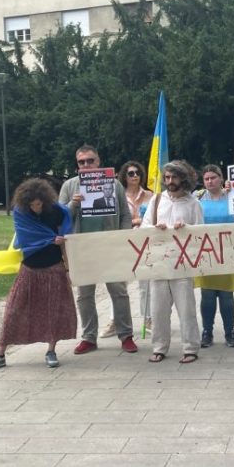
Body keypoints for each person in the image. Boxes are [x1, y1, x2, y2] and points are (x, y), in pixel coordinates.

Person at [0, 178, 77, 371]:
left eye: (39, 203)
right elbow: (25, 238)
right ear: (26, 202)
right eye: (32, 204)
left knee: (54, 310)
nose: (36, 207)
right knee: (14, 310)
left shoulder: (56, 211)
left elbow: (66, 231)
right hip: (30, 267)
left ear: (45, 200)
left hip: (54, 266)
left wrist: (65, 259)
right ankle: (0, 354)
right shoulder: (21, 213)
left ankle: (51, 350)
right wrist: (51, 239)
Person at [58, 145, 137, 355]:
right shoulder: (69, 185)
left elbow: (125, 215)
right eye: (82, 162)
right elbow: (58, 216)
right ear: (77, 165)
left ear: (98, 161)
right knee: (84, 295)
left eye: (90, 160)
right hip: (81, 247)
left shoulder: (114, 184)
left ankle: (126, 335)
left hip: (109, 244)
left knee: (119, 291)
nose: (86, 165)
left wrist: (123, 239)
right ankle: (89, 337)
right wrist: (72, 204)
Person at [141, 160, 203, 364]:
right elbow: (144, 227)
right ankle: (159, 347)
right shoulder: (157, 200)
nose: (170, 181)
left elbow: (201, 232)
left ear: (183, 178)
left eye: (174, 177)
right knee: (158, 310)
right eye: (167, 177)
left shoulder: (193, 203)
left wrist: (186, 228)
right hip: (159, 263)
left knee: (186, 309)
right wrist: (154, 228)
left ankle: (190, 348)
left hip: (182, 264)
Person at [99, 161, 153, 338]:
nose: (135, 175)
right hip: (123, 243)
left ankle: (148, 319)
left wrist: (138, 222)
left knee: (146, 284)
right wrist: (136, 221)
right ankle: (115, 321)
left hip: (145, 243)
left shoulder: (151, 196)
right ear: (125, 176)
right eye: (130, 173)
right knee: (119, 284)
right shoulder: (116, 196)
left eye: (138, 172)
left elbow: (154, 217)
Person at [195, 164, 234, 348]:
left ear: (221, 178)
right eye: (206, 178)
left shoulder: (233, 197)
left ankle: (230, 331)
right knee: (207, 295)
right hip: (205, 253)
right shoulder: (196, 198)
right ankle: (207, 331)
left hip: (228, 252)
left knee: (227, 296)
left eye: (213, 177)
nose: (209, 181)